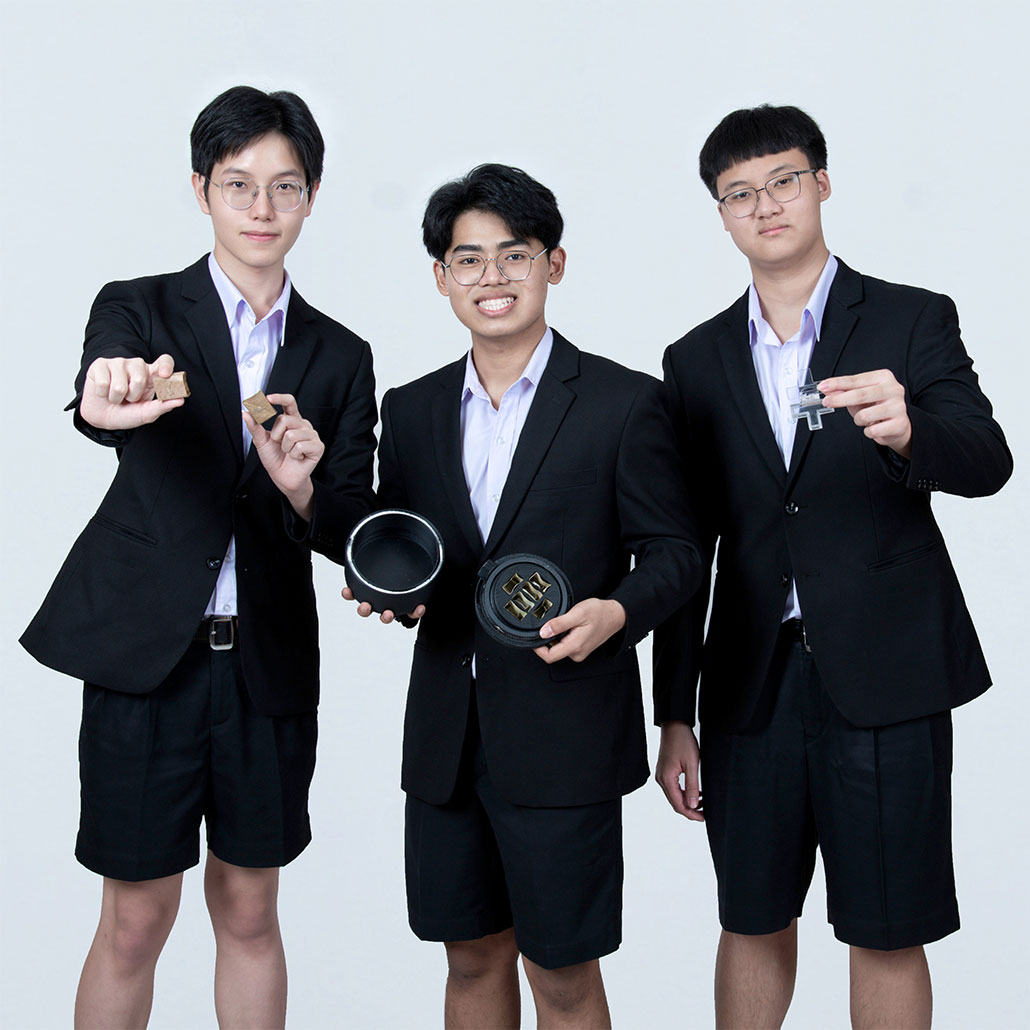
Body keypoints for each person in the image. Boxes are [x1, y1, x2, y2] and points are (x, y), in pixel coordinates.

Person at [21, 85, 376, 1029]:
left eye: (284, 187)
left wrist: (302, 486)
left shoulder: (340, 356)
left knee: (251, 909)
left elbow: (349, 524)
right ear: (201, 189)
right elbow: (103, 392)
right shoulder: (140, 308)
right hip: (148, 662)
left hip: (264, 666)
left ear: (311, 197)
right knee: (135, 918)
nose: (262, 209)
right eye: (238, 185)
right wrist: (107, 399)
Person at [653, 104, 1012, 1029]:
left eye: (781, 181)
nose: (764, 205)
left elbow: (989, 458)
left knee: (889, 928)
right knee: (751, 918)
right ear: (721, 215)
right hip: (749, 689)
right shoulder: (692, 362)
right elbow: (683, 551)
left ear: (820, 182)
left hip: (888, 675)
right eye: (739, 194)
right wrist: (674, 712)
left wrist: (910, 432)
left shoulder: (908, 318)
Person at [343, 163, 702, 1028]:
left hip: (564, 734)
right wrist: (393, 593)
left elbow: (677, 553)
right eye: (468, 260)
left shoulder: (624, 403)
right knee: (469, 962)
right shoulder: (414, 408)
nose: (492, 277)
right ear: (441, 278)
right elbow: (409, 551)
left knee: (564, 975)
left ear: (555, 264)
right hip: (445, 739)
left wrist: (619, 613)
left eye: (514, 255)